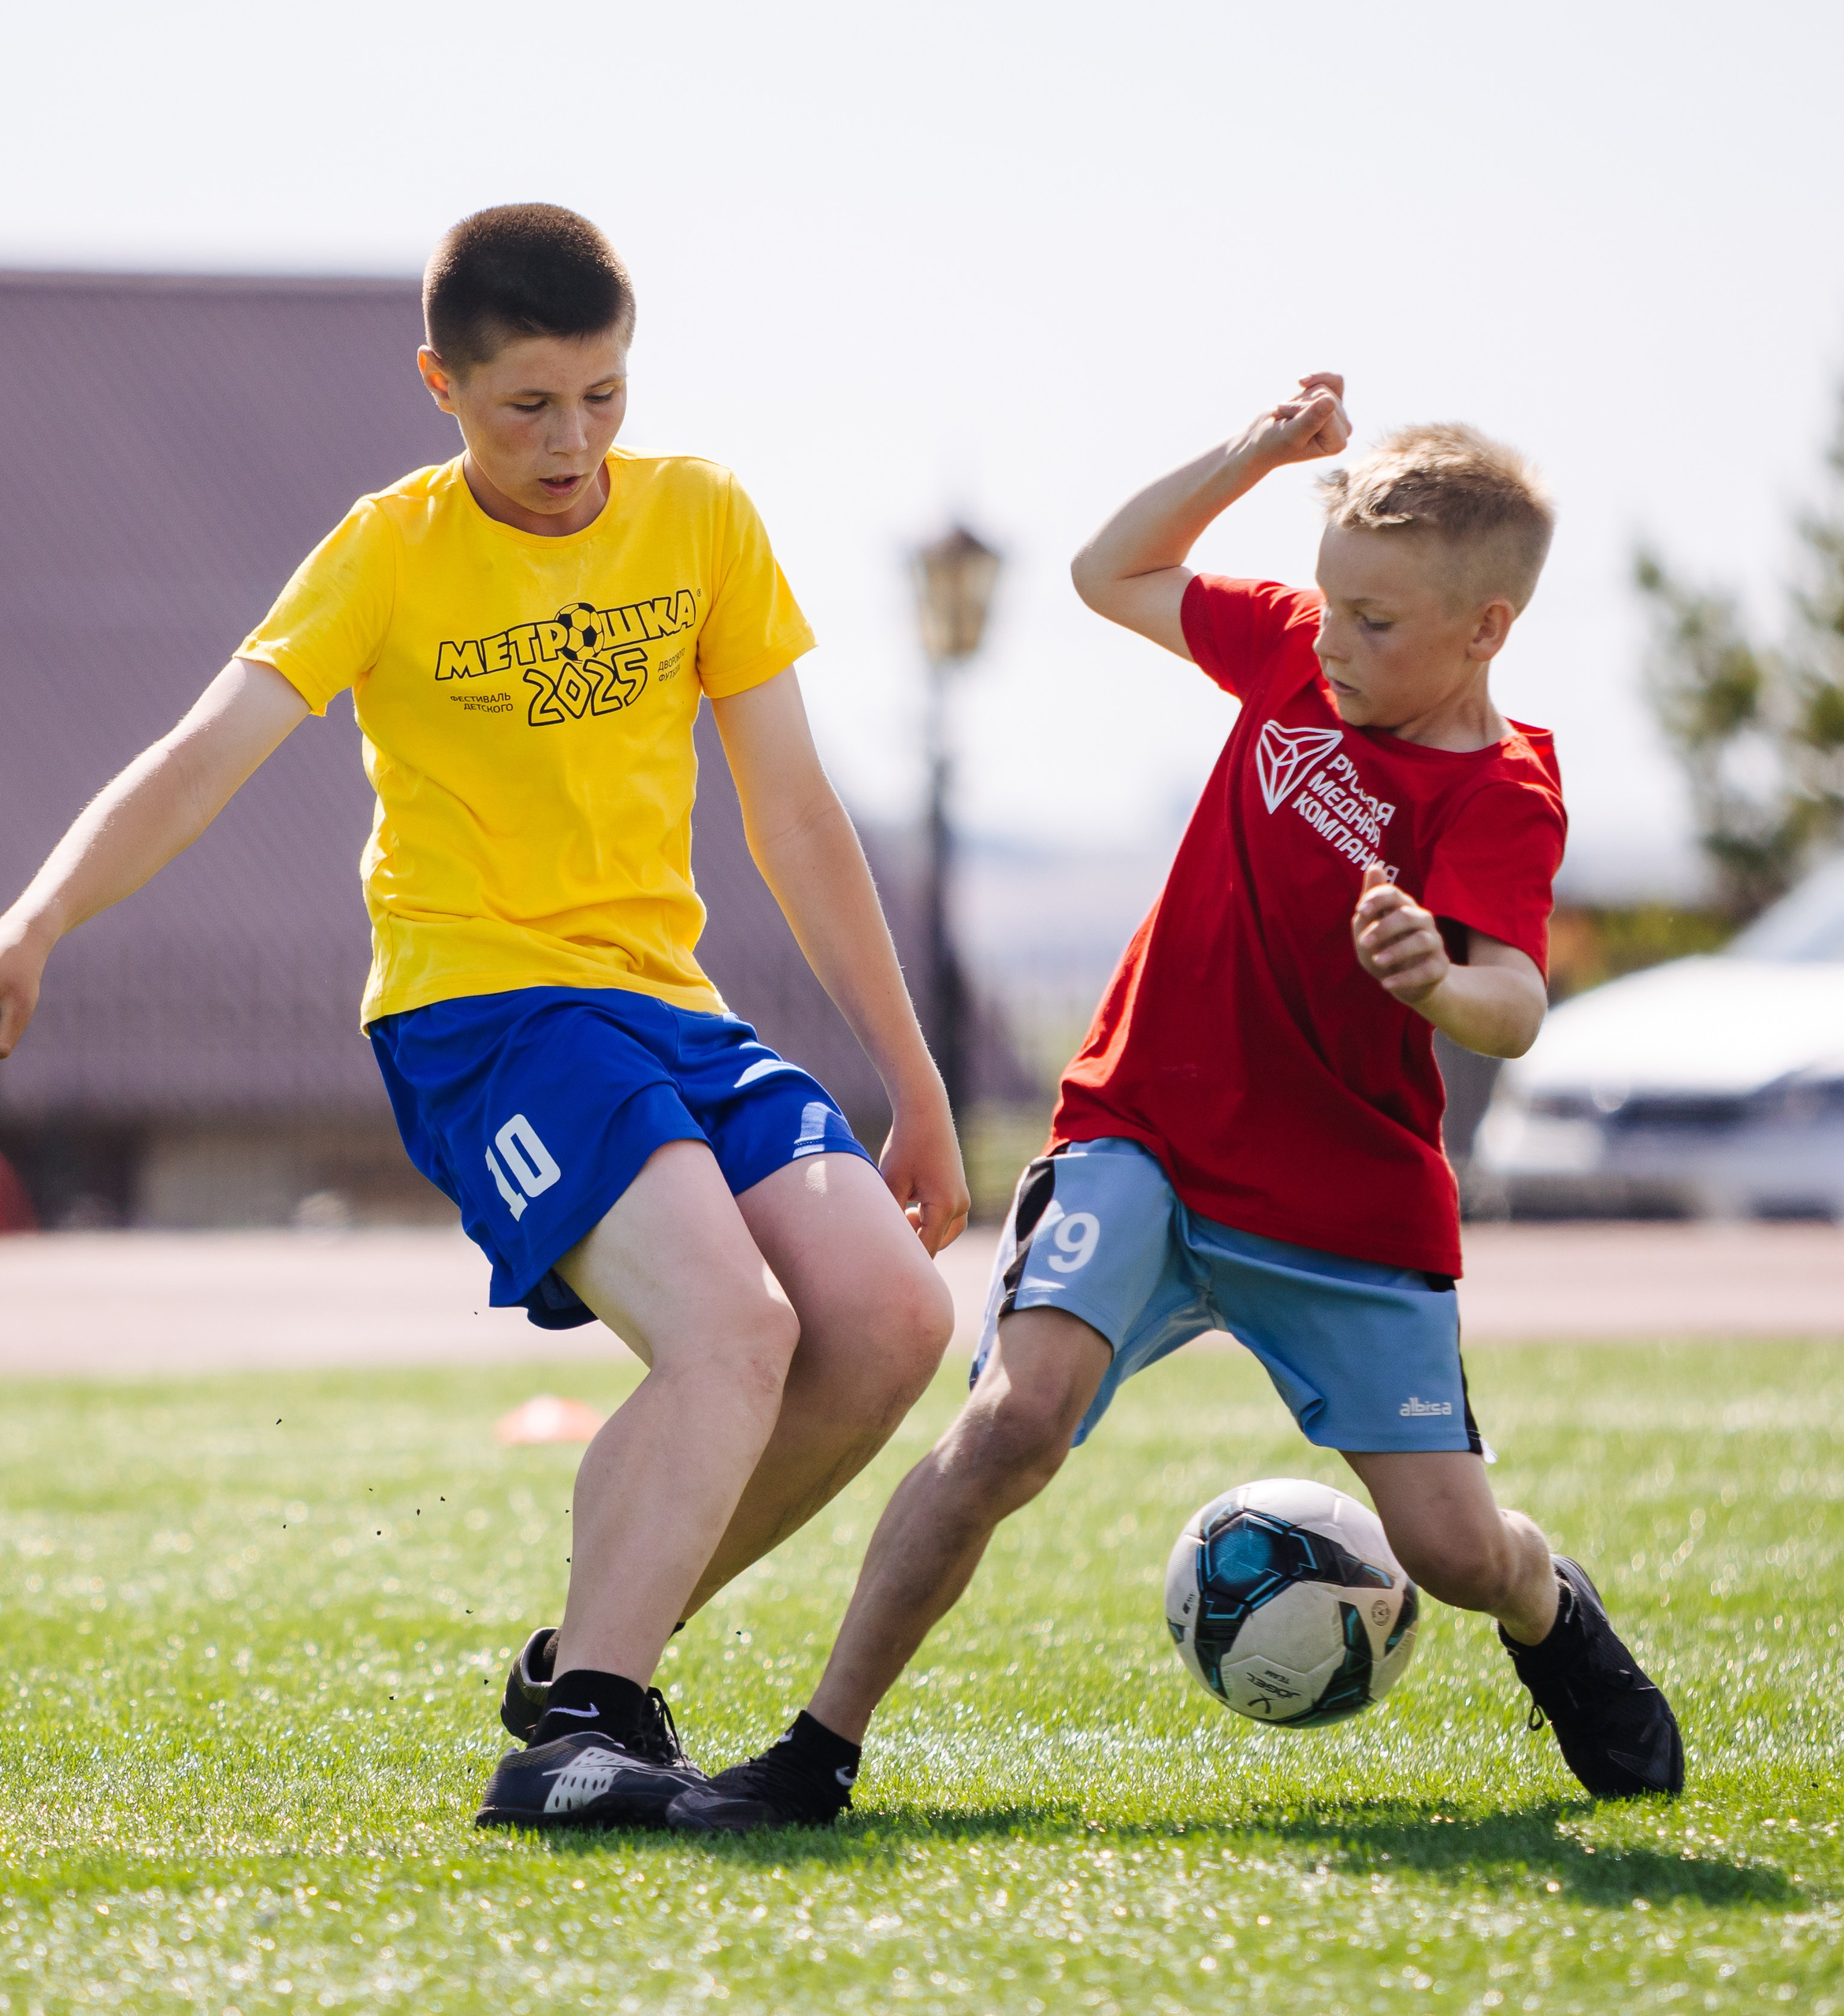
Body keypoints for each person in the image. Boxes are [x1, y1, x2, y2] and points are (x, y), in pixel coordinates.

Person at [0, 203, 966, 1830]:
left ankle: (593, 1662)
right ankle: (572, 1751)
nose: (571, 444)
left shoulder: (698, 517)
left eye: (603, 396)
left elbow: (798, 817)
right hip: (481, 1007)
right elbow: (205, 753)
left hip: (665, 1007)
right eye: (526, 406)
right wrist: (36, 917)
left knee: (891, 1319)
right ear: (440, 385)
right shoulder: (387, 548)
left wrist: (913, 1083)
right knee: (736, 1329)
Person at [668, 372, 1684, 1833]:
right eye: (1330, 601)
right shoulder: (1290, 652)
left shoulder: (1502, 792)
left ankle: (1548, 1609)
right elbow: (1109, 572)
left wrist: (1439, 986)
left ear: (1486, 632)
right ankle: (814, 1757)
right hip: (1138, 1136)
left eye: (1376, 623)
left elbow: (1514, 1004)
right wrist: (1257, 454)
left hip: (1345, 1205)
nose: (1331, 635)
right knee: (1012, 1426)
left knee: (1454, 1554)